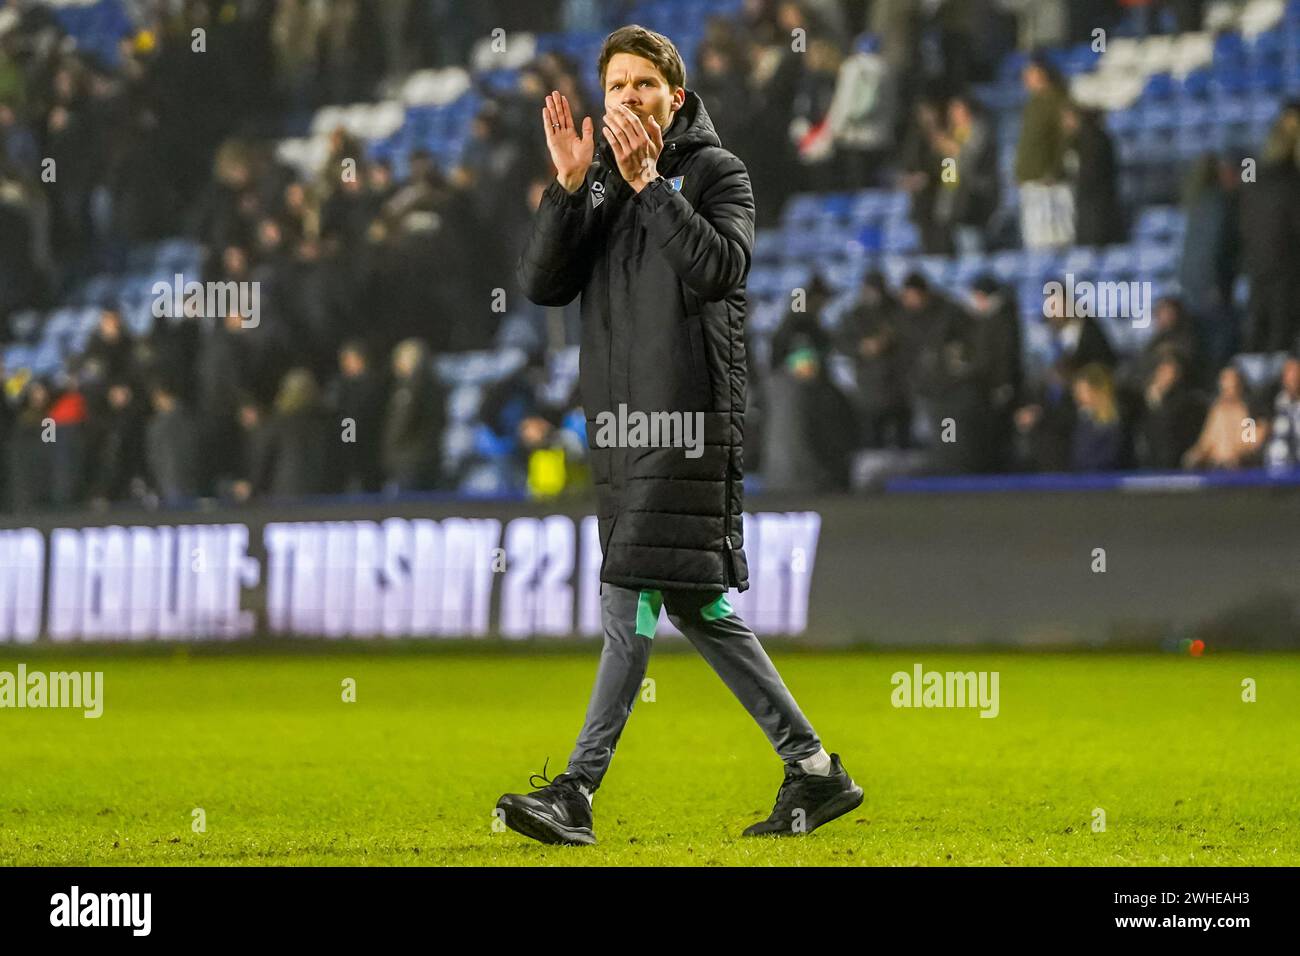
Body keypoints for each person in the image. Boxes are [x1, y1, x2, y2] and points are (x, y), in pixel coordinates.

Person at [500, 25, 861, 846]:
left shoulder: (716, 172)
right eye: (617, 87)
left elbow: (718, 269)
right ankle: (812, 770)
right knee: (697, 604)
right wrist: (566, 189)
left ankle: (576, 790)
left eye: (644, 85)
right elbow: (542, 285)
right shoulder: (596, 186)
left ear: (677, 94)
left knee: (628, 590)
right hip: (623, 430)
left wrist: (650, 184)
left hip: (691, 422)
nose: (629, 98)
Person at [1182, 365, 1267, 470]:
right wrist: (1196, 454)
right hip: (1215, 466)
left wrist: (1236, 454)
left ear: (1239, 385)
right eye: (1224, 383)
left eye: (1232, 383)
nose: (1227, 388)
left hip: (1239, 468)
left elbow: (1251, 445)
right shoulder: (1217, 410)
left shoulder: (1248, 410)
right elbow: (1206, 442)